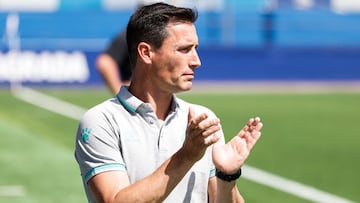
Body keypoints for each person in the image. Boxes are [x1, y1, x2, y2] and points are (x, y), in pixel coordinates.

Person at [75, 2, 263, 203]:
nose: (196, 61)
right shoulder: (101, 121)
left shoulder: (202, 119)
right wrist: (187, 155)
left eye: (195, 49)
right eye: (184, 49)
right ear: (146, 53)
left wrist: (227, 176)